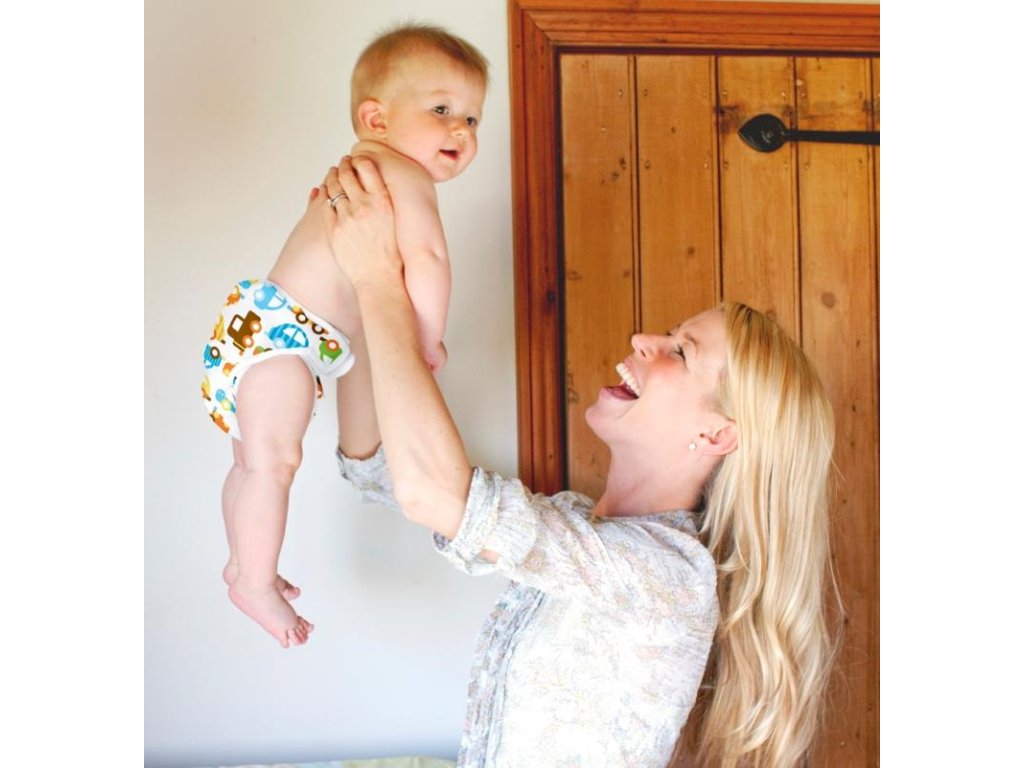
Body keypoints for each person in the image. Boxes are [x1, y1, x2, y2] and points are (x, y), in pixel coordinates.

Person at [319, 155, 840, 767]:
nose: (644, 340)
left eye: (681, 351)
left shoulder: (669, 576)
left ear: (717, 433)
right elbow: (379, 465)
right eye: (670, 333)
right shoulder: (577, 522)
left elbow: (430, 491)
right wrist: (356, 301)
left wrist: (377, 280)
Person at [199, 23, 488, 648]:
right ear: (375, 118)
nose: (462, 132)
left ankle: (242, 561)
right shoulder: (402, 176)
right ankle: (254, 582)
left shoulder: (359, 171)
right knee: (272, 464)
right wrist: (428, 337)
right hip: (282, 344)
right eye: (442, 111)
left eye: (472, 119)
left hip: (258, 330)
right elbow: (429, 260)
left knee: (252, 465)